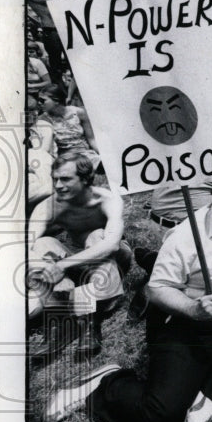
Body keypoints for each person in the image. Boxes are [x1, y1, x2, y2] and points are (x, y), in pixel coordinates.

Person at [44, 174, 212, 422]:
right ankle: (106, 383)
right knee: (160, 417)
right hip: (188, 322)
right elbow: (157, 289)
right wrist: (193, 308)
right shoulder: (187, 235)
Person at [27, 153, 130, 362]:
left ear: (85, 179)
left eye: (65, 179)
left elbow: (111, 245)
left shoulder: (107, 199)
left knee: (96, 237)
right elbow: (24, 248)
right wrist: (57, 276)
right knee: (41, 244)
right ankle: (59, 322)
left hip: (112, 264)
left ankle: (88, 322)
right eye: (55, 179)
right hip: (77, 262)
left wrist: (63, 265)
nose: (58, 185)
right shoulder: (49, 205)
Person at [37, 83, 100, 167]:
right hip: (64, 157)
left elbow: (91, 139)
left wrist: (105, 156)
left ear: (56, 100)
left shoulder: (79, 113)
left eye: (42, 100)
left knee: (98, 161)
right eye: (38, 100)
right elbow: (47, 147)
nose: (39, 103)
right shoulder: (43, 119)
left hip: (84, 153)